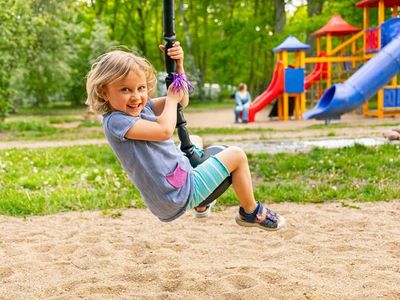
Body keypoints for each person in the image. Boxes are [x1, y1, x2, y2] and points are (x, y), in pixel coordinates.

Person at [85, 42, 285, 230]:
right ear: (104, 91)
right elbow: (164, 131)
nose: (136, 96)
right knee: (236, 155)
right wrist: (171, 99)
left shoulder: (142, 107)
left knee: (195, 140)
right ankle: (250, 212)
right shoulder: (115, 121)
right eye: (125, 90)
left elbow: (182, 100)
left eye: (141, 88)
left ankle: (201, 206)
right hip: (175, 195)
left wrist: (179, 67)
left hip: (174, 187)